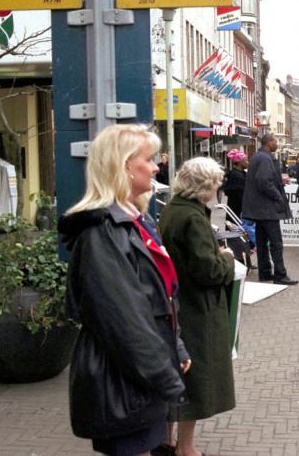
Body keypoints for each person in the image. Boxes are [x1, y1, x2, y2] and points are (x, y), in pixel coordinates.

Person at [58, 124, 189, 456]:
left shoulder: (136, 223)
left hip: (138, 380)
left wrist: (176, 348)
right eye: (149, 159)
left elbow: (160, 297)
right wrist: (167, 378)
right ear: (125, 166)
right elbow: (124, 321)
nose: (157, 167)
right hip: (123, 385)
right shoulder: (102, 233)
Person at [158, 157, 237, 456]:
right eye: (215, 184)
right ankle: (186, 448)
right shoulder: (193, 218)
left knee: (175, 377)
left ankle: (165, 439)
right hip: (196, 309)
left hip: (176, 303)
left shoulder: (171, 209)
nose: (218, 189)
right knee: (194, 381)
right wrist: (226, 259)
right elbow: (208, 271)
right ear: (205, 187)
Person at [242, 133, 298, 285]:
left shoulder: (257, 157)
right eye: (276, 141)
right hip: (267, 209)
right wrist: (277, 195)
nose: (277, 144)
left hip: (259, 209)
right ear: (270, 143)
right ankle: (280, 274)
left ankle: (265, 272)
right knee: (276, 242)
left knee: (261, 241)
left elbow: (263, 179)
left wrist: (279, 182)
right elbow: (264, 181)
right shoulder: (266, 158)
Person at [223, 149, 248, 222]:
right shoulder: (237, 175)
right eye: (246, 160)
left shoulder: (239, 173)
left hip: (237, 209)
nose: (247, 162)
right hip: (238, 209)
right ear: (240, 162)